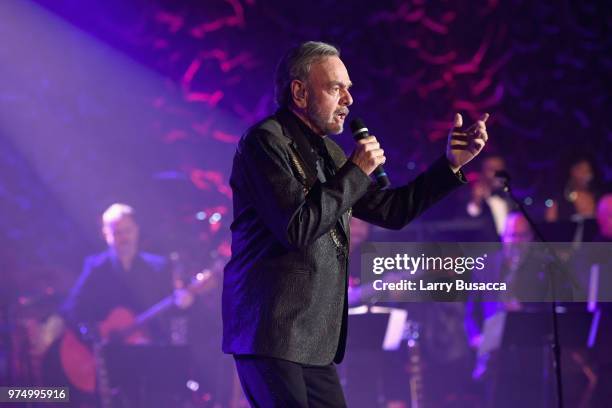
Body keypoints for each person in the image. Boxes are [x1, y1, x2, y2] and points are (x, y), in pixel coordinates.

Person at [222, 41, 490, 406]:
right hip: (272, 331)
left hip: (314, 337)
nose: (348, 99)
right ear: (299, 92)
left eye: (348, 89)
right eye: (336, 88)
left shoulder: (329, 151)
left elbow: (393, 211)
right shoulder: (265, 143)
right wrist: (355, 171)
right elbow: (296, 228)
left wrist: (450, 166)